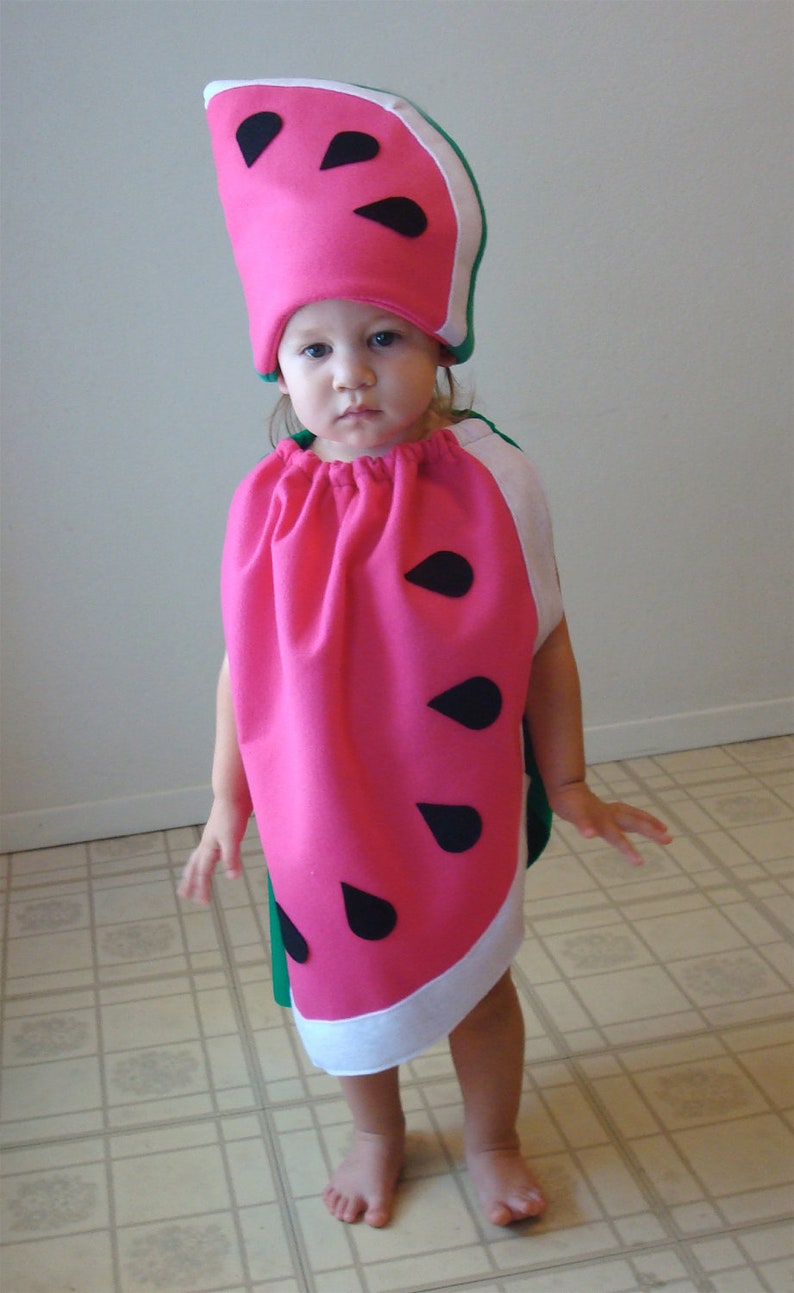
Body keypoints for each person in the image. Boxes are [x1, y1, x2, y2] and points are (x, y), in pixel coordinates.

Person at [179, 79, 671, 1231]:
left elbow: (544, 641)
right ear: (279, 368)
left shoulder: (491, 483)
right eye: (314, 347)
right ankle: (374, 1128)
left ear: (437, 348)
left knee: (476, 978)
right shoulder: (269, 505)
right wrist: (221, 802)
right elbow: (241, 664)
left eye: (381, 338)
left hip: (449, 792)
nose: (348, 373)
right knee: (340, 985)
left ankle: (491, 1137)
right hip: (318, 810)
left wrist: (568, 780)